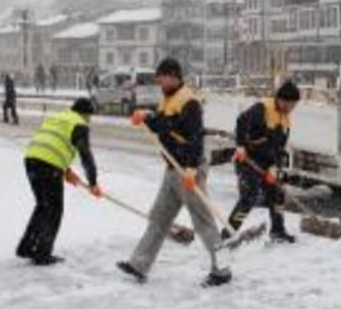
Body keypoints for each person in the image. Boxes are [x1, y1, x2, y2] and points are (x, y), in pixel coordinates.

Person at [117, 58, 231, 287]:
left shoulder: (189, 101)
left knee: (203, 221)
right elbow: (163, 124)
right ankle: (139, 264)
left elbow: (195, 136)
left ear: (174, 76)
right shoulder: (168, 99)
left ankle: (222, 269)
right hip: (172, 169)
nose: (159, 82)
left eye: (162, 78)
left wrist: (190, 168)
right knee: (158, 218)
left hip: (188, 170)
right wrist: (147, 117)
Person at [16, 98, 102, 265]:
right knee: (54, 209)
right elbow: (86, 155)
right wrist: (93, 182)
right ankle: (42, 253)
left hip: (31, 160)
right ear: (85, 114)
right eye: (90, 116)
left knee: (43, 205)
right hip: (49, 166)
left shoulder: (60, 117)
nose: (90, 120)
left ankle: (26, 247)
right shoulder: (79, 124)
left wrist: (65, 170)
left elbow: (53, 144)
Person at [225, 80, 301, 243]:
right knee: (249, 196)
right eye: (288, 103)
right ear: (280, 99)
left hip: (267, 163)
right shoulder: (262, 109)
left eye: (293, 105)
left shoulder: (286, 120)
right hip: (248, 159)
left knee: (277, 194)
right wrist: (240, 146)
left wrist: (274, 168)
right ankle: (228, 234)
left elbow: (280, 148)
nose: (290, 108)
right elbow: (241, 122)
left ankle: (277, 231)